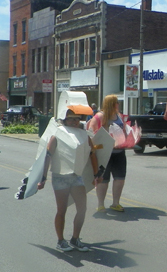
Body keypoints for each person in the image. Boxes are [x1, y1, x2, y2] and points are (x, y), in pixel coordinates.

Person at [37, 93, 101, 252]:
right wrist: (43, 178)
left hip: (76, 177)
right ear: (64, 119)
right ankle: (60, 241)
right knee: (62, 210)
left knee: (82, 208)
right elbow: (48, 155)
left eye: (76, 118)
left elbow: (92, 155)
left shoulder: (84, 135)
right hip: (60, 177)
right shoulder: (57, 134)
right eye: (70, 118)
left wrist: (96, 174)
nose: (73, 121)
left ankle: (75, 238)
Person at [88, 95, 127, 213]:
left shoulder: (118, 116)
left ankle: (116, 203)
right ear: (111, 103)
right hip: (104, 152)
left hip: (119, 151)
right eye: (117, 102)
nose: (118, 105)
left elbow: (123, 130)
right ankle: (101, 204)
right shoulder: (100, 116)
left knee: (120, 178)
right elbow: (90, 131)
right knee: (103, 179)